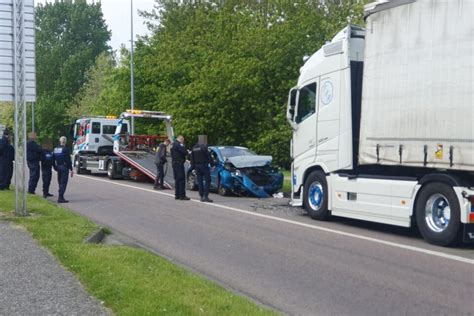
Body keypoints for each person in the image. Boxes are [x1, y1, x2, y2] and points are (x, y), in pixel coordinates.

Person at [52, 136, 73, 203]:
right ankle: (60, 198)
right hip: (64, 167)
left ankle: (61, 196)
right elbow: (68, 160)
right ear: (65, 141)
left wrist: (55, 167)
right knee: (63, 183)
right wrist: (71, 169)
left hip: (58, 167)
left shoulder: (55, 149)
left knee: (60, 182)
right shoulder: (65, 149)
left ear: (60, 141)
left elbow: (53, 159)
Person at [170, 135, 190, 200]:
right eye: (183, 140)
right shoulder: (179, 144)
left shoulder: (173, 144)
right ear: (181, 139)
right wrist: (186, 150)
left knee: (177, 180)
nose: (183, 142)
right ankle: (182, 195)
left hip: (174, 163)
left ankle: (177, 195)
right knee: (181, 179)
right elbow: (184, 152)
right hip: (179, 164)